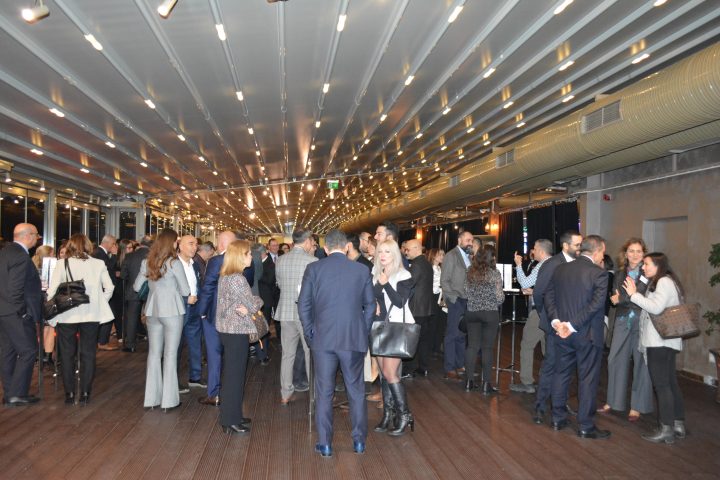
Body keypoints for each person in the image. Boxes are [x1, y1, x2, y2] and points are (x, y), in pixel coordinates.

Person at [298, 229, 375, 457]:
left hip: (323, 339)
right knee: (356, 390)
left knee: (324, 391)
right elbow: (370, 305)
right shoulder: (361, 270)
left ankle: (325, 444)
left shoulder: (314, 269)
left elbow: (304, 305)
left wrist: (310, 333)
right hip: (352, 338)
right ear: (347, 247)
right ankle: (359, 441)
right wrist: (362, 330)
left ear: (325, 248)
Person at [545, 235, 610, 439]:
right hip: (586, 334)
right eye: (603, 252)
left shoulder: (560, 269)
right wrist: (571, 325)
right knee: (587, 379)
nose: (603, 256)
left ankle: (557, 418)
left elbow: (548, 296)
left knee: (561, 374)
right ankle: (585, 426)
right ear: (597, 251)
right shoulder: (599, 274)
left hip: (562, 333)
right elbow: (595, 306)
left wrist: (557, 322)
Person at [624, 252, 686, 444]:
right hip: (667, 341)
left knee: (662, 385)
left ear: (658, 265)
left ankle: (666, 428)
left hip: (659, 342)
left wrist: (633, 295)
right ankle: (677, 424)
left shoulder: (663, 282)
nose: (643, 267)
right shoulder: (668, 281)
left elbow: (656, 308)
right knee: (670, 383)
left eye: (647, 264)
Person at [47, 233, 115, 405]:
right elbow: (109, 287)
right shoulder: (98, 263)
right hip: (91, 315)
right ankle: (85, 392)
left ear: (70, 246)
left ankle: (69, 393)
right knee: (88, 354)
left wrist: (50, 308)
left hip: (66, 314)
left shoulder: (62, 264)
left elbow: (52, 290)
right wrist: (99, 302)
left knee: (67, 355)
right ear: (88, 246)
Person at [134, 229, 190, 412]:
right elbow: (185, 290)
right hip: (172, 310)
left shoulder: (147, 262)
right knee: (170, 355)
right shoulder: (174, 263)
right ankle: (169, 401)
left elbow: (136, 287)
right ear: (172, 243)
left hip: (152, 311)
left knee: (153, 354)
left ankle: (151, 399)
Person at [598, 238, 653, 421]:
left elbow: (637, 295)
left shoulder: (648, 273)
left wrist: (621, 299)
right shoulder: (620, 273)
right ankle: (613, 401)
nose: (635, 255)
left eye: (638, 251)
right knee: (614, 359)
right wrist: (622, 298)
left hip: (642, 320)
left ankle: (637, 406)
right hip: (622, 320)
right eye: (631, 251)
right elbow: (615, 295)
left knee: (641, 362)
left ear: (643, 254)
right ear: (625, 253)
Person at [532, 230, 582, 425]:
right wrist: (548, 317)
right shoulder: (552, 264)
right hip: (555, 325)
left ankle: (559, 403)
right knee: (551, 366)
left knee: (566, 368)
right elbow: (539, 293)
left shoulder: (578, 264)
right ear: (566, 246)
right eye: (577, 245)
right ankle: (540, 406)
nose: (580, 248)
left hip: (573, 326)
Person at [216, 240, 263, 434]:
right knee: (234, 376)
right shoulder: (237, 279)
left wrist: (248, 305)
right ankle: (230, 420)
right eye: (248, 253)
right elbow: (252, 304)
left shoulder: (227, 276)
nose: (251, 256)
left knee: (233, 374)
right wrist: (259, 300)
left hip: (228, 330)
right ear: (240, 256)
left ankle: (233, 414)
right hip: (235, 331)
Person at [372, 239, 416, 436]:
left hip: (396, 327)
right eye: (380, 251)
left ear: (395, 254)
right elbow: (374, 296)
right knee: (383, 374)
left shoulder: (403, 274)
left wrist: (386, 284)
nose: (382, 255)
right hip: (379, 326)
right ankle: (388, 414)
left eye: (387, 251)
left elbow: (399, 302)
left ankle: (405, 414)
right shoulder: (376, 272)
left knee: (391, 373)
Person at [0, 223, 43, 406]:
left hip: (4, 311)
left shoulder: (5, 252)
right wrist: (22, 312)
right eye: (36, 235)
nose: (37, 239)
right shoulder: (21, 257)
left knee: (8, 352)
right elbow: (15, 289)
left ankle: (11, 393)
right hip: (16, 313)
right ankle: (16, 394)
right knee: (28, 351)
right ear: (28, 236)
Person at [275, 229, 317, 405]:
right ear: (307, 241)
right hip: (306, 314)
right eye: (312, 242)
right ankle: (314, 393)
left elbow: (279, 284)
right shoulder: (313, 261)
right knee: (310, 353)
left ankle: (285, 393)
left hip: (285, 312)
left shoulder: (280, 260)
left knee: (287, 354)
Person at [196, 231, 237, 406]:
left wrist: (202, 311)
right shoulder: (243, 260)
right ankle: (230, 392)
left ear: (220, 244)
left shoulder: (215, 261)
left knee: (214, 355)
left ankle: (214, 394)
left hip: (214, 314)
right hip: (235, 315)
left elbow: (208, 287)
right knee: (233, 355)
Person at [510, 239, 553, 394]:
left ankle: (527, 382)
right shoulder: (557, 264)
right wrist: (534, 292)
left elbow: (525, 283)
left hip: (540, 312)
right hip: (553, 313)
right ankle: (549, 383)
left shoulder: (541, 266)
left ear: (541, 251)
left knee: (527, 344)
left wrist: (518, 265)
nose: (533, 251)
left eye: (534, 248)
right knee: (548, 349)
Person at [463, 245, 504, 394]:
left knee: (472, 347)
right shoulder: (495, 273)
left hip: (472, 313)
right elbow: (499, 298)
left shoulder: (470, 271)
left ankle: (469, 382)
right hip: (489, 313)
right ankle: (486, 384)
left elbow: (465, 292)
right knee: (487, 348)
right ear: (492, 257)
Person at [440, 230, 474, 380]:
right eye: (468, 240)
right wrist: (453, 298)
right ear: (459, 240)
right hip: (456, 300)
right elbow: (444, 280)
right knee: (452, 334)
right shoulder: (451, 255)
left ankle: (459, 365)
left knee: (462, 334)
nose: (470, 243)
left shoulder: (469, 257)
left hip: (467, 300)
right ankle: (449, 368)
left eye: (471, 240)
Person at [176, 235, 203, 389]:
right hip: (179, 309)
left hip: (195, 308)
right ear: (180, 246)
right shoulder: (173, 264)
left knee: (195, 343)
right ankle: (173, 381)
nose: (194, 247)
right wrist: (185, 299)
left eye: (196, 244)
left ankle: (195, 377)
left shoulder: (195, 264)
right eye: (191, 244)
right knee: (176, 346)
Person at [405, 239, 433, 377]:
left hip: (416, 308)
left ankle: (409, 370)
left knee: (412, 340)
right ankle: (423, 367)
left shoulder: (416, 264)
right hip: (426, 308)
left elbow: (409, 284)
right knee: (423, 340)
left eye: (408, 249)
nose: (406, 252)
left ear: (417, 248)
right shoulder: (427, 263)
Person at [121, 235, 152, 352]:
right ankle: (153, 344)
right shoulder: (155, 256)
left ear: (140, 244)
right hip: (151, 291)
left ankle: (130, 345)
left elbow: (123, 275)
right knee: (151, 318)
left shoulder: (130, 256)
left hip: (133, 290)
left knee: (132, 318)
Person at [94, 235, 119, 351]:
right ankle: (102, 342)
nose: (115, 246)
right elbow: (108, 269)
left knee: (108, 314)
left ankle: (101, 341)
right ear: (108, 243)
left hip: (103, 289)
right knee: (109, 315)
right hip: (104, 290)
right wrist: (114, 255)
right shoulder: (99, 254)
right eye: (114, 244)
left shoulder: (100, 253)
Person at [32, 245, 56, 366]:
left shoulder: (31, 267)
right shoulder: (52, 268)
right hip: (48, 299)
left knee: (38, 329)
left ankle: (39, 355)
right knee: (50, 327)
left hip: (34, 302)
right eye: (53, 254)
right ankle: (47, 356)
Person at [427, 248, 445, 357]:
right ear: (434, 256)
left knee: (440, 323)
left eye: (443, 254)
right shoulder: (430, 269)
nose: (442, 257)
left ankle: (436, 347)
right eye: (440, 254)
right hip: (433, 297)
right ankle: (430, 349)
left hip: (441, 297)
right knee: (432, 324)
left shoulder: (440, 268)